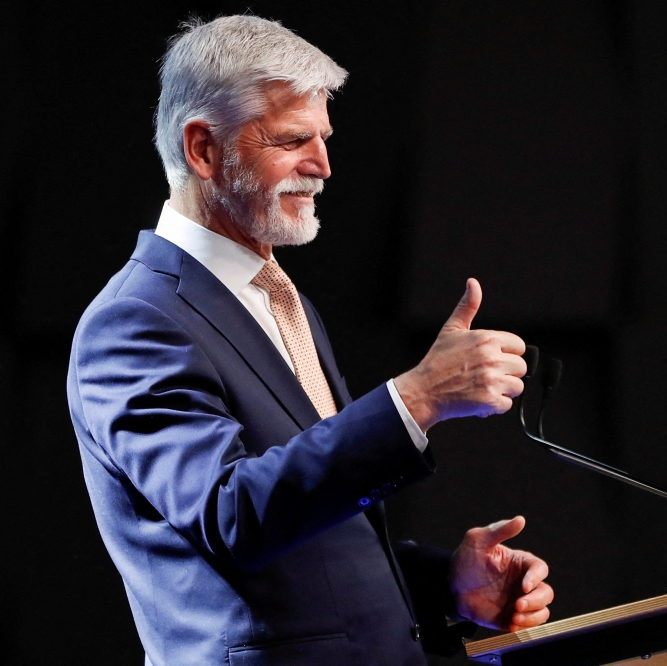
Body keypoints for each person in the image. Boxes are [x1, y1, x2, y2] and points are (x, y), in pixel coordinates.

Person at [66, 15, 553, 666]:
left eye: (323, 137)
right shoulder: (135, 323)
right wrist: (416, 398)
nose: (323, 165)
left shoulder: (279, 297)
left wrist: (448, 584)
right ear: (203, 150)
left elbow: (306, 536)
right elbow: (231, 514)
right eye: (294, 139)